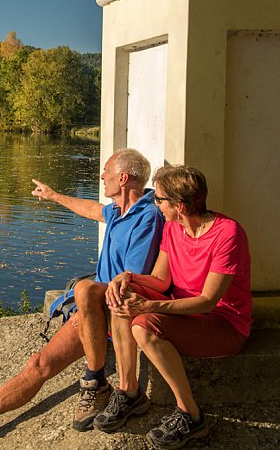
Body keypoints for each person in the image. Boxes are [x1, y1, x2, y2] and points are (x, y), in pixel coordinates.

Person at [0, 148, 164, 447]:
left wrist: (90, 301)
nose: (102, 176)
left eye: (106, 171)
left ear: (123, 178)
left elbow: (131, 279)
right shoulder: (117, 211)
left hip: (116, 309)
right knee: (39, 363)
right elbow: (90, 209)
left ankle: (95, 381)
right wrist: (53, 195)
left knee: (85, 288)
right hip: (93, 308)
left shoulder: (147, 217)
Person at [92, 165, 251, 449]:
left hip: (224, 323)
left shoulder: (228, 233)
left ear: (180, 206)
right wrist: (127, 277)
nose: (156, 204)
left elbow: (208, 301)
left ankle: (191, 415)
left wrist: (149, 306)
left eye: (159, 199)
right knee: (122, 294)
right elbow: (160, 280)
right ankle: (128, 393)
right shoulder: (173, 227)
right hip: (183, 311)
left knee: (143, 326)